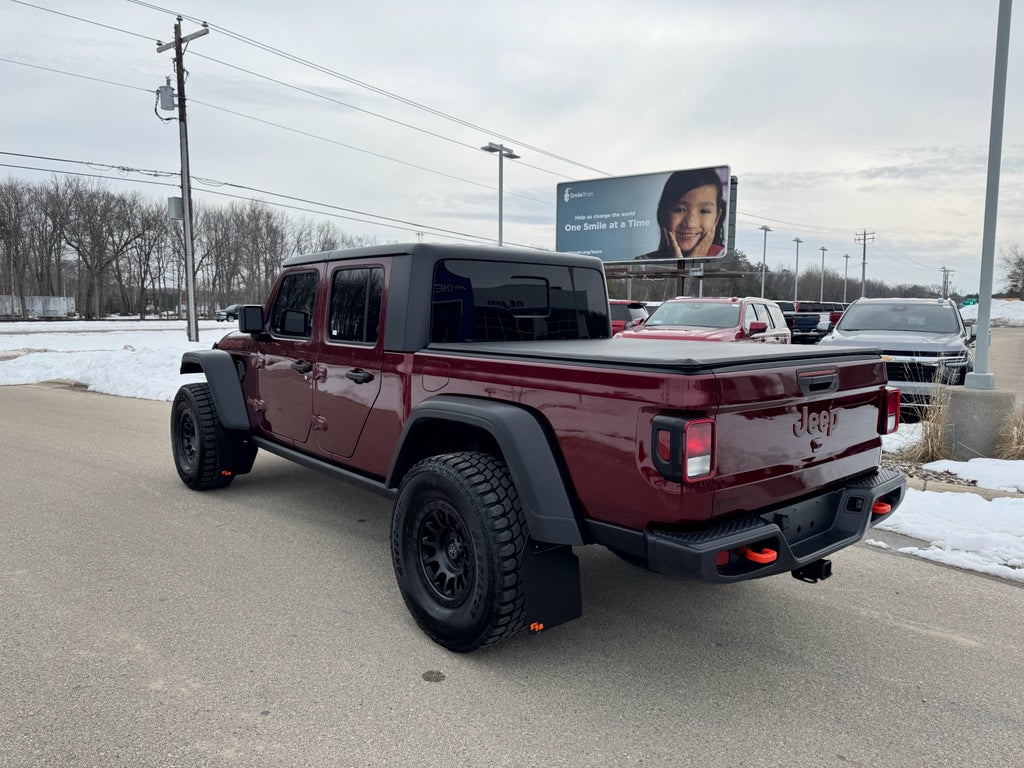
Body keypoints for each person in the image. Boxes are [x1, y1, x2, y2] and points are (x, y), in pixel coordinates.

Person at [635, 168, 726, 260]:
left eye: (704, 211)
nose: (690, 223)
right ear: (662, 214)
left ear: (717, 217)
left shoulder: (725, 257)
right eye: (679, 210)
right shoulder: (642, 263)